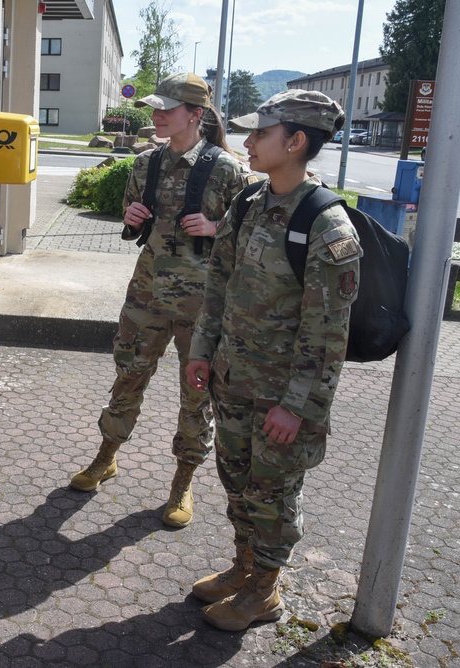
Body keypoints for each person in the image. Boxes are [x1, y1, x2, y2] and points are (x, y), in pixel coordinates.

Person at [185, 90, 358, 631]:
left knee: (273, 494)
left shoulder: (327, 226)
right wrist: (202, 351)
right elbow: (220, 284)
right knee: (237, 482)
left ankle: (264, 592)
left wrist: (296, 408)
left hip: (281, 399)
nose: (247, 143)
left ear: (296, 141)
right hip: (234, 380)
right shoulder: (251, 202)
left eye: (259, 133)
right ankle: (245, 568)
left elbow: (327, 335)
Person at [69, 72, 254, 530]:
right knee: (127, 377)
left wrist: (218, 229)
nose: (156, 116)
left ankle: (182, 483)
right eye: (155, 108)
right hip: (147, 295)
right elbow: (136, 223)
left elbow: (252, 240)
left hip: (204, 307)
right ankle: (105, 458)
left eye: (167, 109)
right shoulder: (144, 163)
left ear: (195, 115)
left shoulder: (228, 170)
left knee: (196, 397)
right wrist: (130, 219)